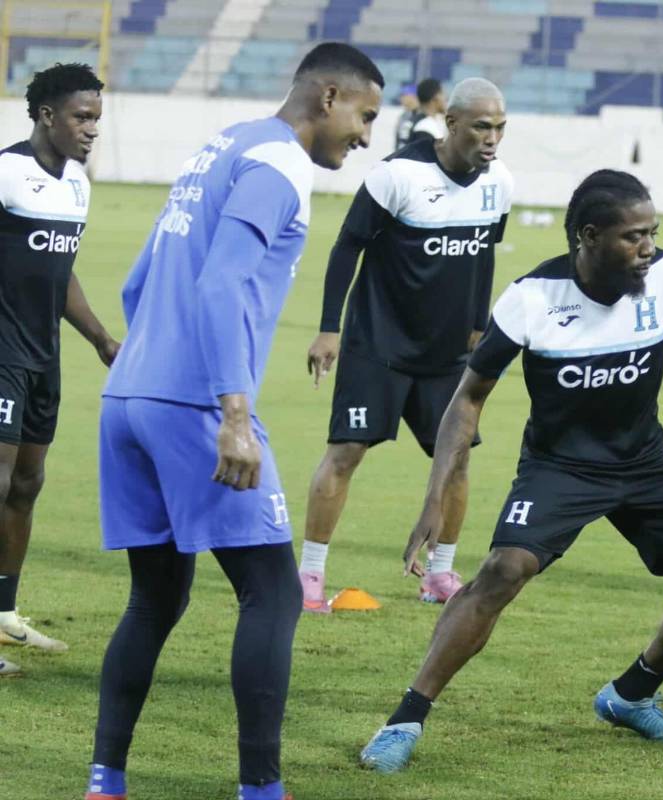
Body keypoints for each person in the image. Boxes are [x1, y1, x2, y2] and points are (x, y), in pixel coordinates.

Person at [358, 169, 663, 773]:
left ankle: (630, 694)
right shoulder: (533, 299)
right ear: (588, 236)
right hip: (561, 468)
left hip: (644, 462)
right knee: (501, 571)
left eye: (653, 233)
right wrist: (434, 496)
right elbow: (467, 398)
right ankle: (403, 722)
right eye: (633, 237)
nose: (648, 249)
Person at [86, 43, 383, 800]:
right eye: (365, 115)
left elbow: (139, 277)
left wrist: (150, 366)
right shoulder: (279, 164)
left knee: (156, 597)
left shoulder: (220, 146)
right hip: (194, 405)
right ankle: (261, 791)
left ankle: (105, 781)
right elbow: (220, 282)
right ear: (327, 97)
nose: (367, 135)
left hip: (131, 395)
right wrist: (233, 412)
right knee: (274, 593)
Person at [299, 77, 512, 611]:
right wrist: (330, 327)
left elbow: (484, 253)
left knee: (458, 460)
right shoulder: (397, 175)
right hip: (379, 342)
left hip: (448, 356)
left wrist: (479, 325)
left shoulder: (499, 182)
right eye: (482, 126)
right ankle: (309, 577)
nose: (492, 137)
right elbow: (348, 245)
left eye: (501, 127)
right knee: (345, 453)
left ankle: (440, 576)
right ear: (452, 122)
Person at [0, 63, 118, 678]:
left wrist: (100, 338)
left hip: (43, 357)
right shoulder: (6, 170)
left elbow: (58, 269)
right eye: (81, 116)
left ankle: (4, 614)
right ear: (47, 116)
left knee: (26, 486)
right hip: (0, 354)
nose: (92, 129)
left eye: (97, 117)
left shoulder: (76, 183)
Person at [408, 78, 448, 143]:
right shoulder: (424, 127)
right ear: (435, 97)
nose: (445, 98)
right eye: (442, 93)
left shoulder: (415, 121)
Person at [393, 84, 419, 150]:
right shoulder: (402, 117)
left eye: (404, 95)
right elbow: (398, 140)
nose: (401, 98)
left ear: (413, 96)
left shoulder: (421, 116)